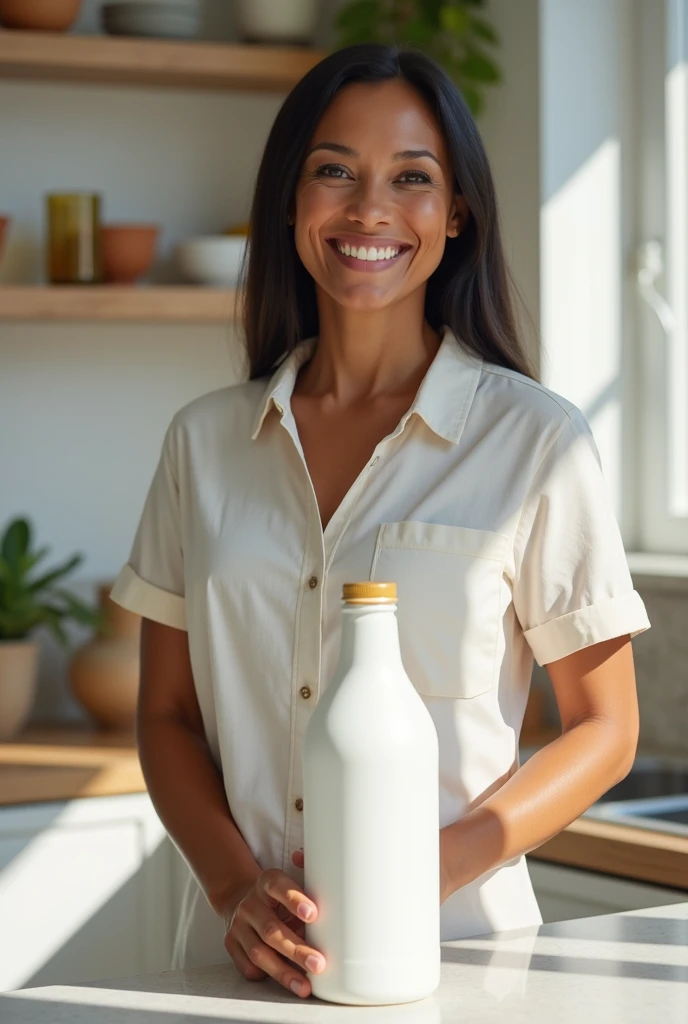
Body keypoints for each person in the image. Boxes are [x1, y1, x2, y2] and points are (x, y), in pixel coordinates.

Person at [110, 43, 650, 1000]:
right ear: (289, 201)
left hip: (462, 963)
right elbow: (165, 714)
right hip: (237, 967)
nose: (369, 209)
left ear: (456, 214)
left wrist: (426, 870)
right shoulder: (202, 445)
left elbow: (605, 728)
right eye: (335, 172)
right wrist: (238, 887)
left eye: (412, 177)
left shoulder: (538, 442)